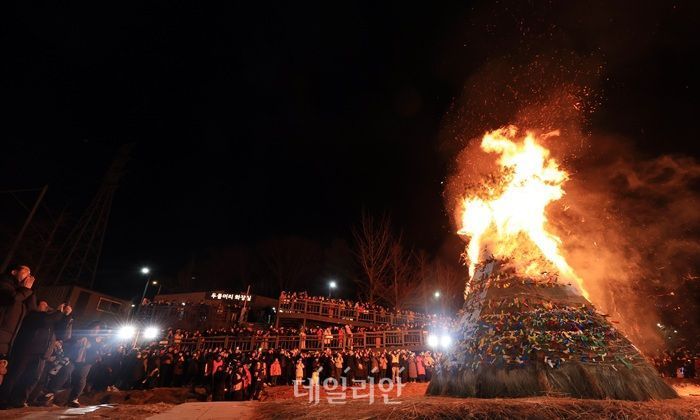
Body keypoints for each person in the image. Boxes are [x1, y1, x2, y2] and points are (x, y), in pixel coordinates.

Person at [0, 301, 71, 408]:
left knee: (32, 379)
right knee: (15, 376)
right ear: (37, 306)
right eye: (43, 304)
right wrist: (59, 312)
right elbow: (46, 321)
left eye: (47, 305)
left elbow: (62, 335)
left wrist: (65, 317)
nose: (46, 306)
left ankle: (18, 401)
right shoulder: (34, 315)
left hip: (42, 354)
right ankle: (2, 400)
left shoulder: (52, 319)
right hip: (26, 350)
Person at [0, 265, 36, 366]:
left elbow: (33, 313)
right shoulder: (4, 283)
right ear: (14, 272)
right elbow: (11, 299)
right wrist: (25, 289)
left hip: (7, 345)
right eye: (26, 272)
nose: (29, 276)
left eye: (30, 274)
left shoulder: (22, 292)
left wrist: (30, 292)